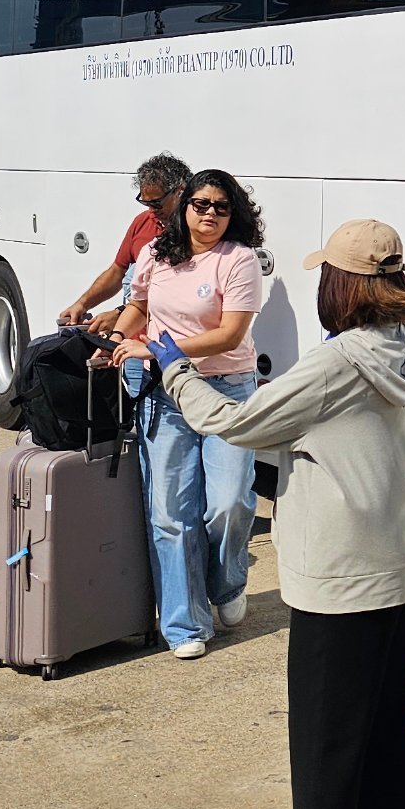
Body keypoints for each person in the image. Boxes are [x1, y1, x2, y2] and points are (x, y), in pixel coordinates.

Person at [147, 219, 405, 809]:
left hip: (341, 578)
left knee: (325, 747)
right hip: (402, 567)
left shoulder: (335, 363)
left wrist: (175, 368)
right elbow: (319, 424)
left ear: (341, 285)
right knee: (385, 726)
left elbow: (235, 422)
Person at [105, 167, 264, 659]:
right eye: (201, 204)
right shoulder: (156, 254)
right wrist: (119, 337)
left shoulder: (239, 260)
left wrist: (157, 351)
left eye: (221, 207)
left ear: (233, 214)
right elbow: (138, 307)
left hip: (226, 391)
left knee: (230, 503)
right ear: (185, 207)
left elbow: (230, 336)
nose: (210, 214)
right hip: (165, 393)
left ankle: (228, 582)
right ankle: (184, 624)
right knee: (171, 512)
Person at [58, 152, 190, 327]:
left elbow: (180, 293)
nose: (151, 211)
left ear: (180, 191)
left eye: (157, 203)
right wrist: (82, 304)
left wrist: (120, 314)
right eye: (146, 203)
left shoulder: (198, 232)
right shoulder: (143, 221)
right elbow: (117, 271)